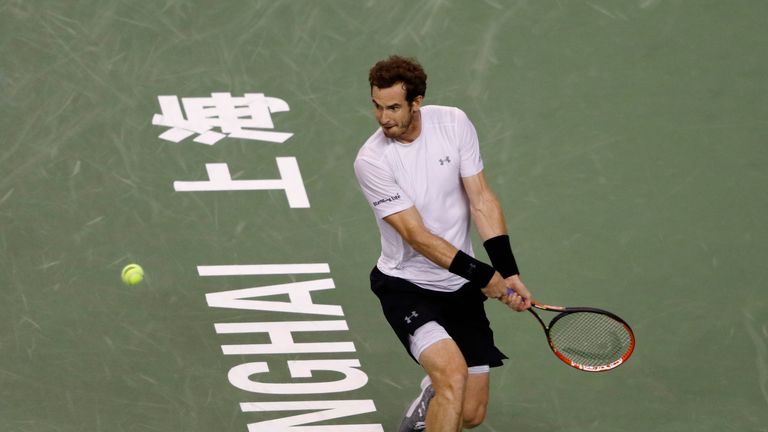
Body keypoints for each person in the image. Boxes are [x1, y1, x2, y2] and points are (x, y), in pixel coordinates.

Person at [353, 54, 533, 431]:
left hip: (461, 286)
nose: (383, 117)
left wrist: (507, 269)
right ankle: (439, 388)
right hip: (407, 285)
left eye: (394, 107)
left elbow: (481, 198)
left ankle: (428, 398)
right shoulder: (372, 161)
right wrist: (484, 276)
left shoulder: (452, 122)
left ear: (416, 102)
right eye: (377, 106)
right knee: (452, 377)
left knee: (470, 414)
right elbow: (417, 237)